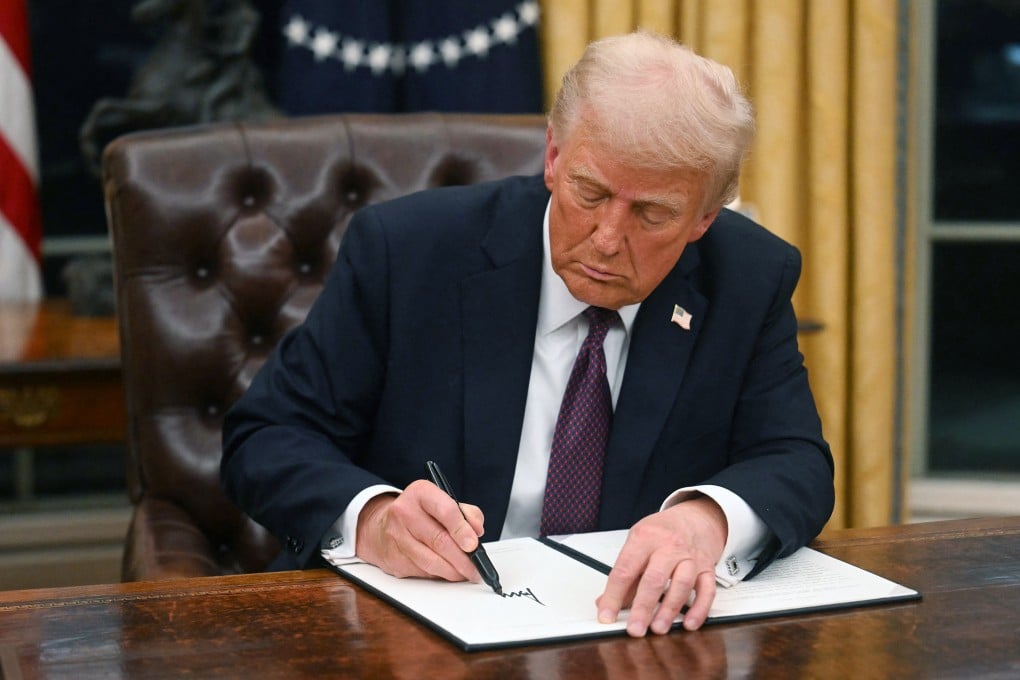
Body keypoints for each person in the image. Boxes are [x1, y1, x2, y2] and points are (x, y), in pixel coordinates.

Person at [221, 30, 834, 637]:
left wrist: (705, 523)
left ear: (705, 217)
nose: (607, 238)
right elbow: (267, 436)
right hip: (411, 634)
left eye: (652, 213)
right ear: (552, 156)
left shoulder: (747, 278)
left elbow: (795, 460)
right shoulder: (408, 253)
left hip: (630, 637)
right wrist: (375, 518)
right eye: (589, 192)